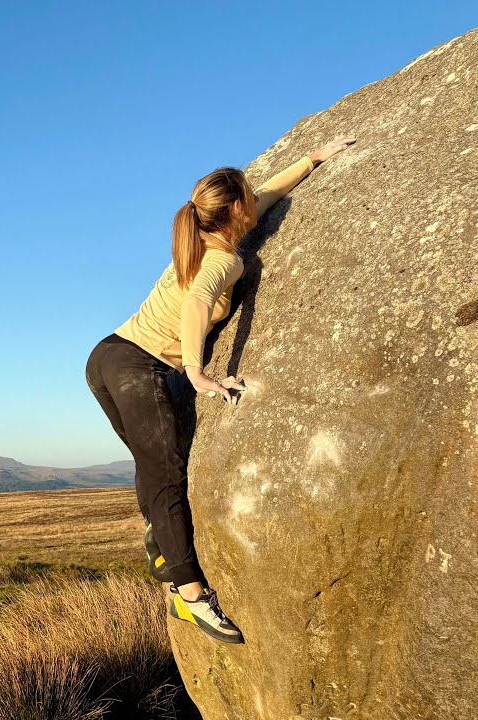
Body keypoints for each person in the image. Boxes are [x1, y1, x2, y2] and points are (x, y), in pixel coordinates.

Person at [85, 136, 357, 644]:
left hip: (105, 357)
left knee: (150, 466)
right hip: (136, 366)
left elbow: (270, 196)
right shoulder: (221, 262)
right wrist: (198, 373)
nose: (257, 197)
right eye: (247, 195)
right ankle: (191, 597)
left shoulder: (206, 242)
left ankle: (162, 548)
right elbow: (196, 305)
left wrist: (313, 160)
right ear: (235, 209)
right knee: (167, 476)